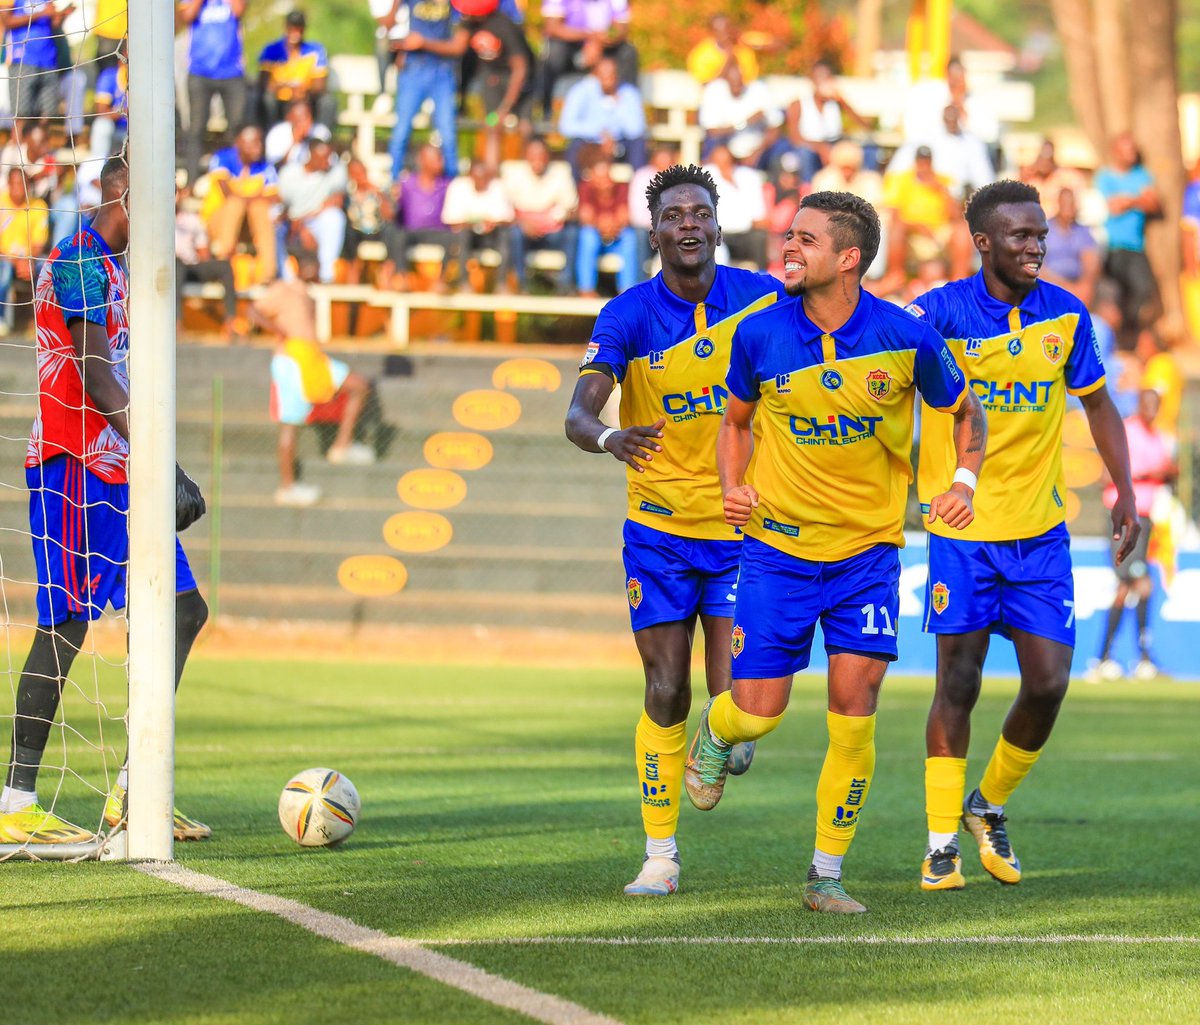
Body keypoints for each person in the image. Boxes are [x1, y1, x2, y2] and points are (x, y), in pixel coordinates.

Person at [682, 190, 984, 915]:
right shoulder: (758, 334)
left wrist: (964, 479)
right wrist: (733, 485)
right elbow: (735, 421)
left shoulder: (905, 337)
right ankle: (716, 731)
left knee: (857, 706)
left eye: (806, 240)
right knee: (758, 713)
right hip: (779, 553)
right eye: (789, 236)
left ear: (848, 258)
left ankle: (824, 875)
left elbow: (964, 408)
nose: (788, 248)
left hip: (868, 558)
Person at [908, 179, 1138, 893]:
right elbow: (876, 357)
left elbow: (1098, 404)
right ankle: (941, 841)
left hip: (1041, 532)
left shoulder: (1065, 316)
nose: (1037, 245)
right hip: (964, 529)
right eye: (1020, 236)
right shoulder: (940, 313)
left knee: (1049, 682)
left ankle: (989, 805)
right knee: (960, 681)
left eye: (1040, 234)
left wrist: (1123, 488)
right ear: (983, 241)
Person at [564, 164, 784, 897]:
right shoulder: (627, 314)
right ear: (653, 232)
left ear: (719, 225)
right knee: (666, 688)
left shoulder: (760, 297)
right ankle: (660, 856)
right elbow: (579, 410)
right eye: (672, 214)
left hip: (738, 528)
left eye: (699, 211)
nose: (687, 222)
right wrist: (607, 437)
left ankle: (721, 741)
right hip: (657, 532)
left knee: (745, 704)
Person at [0, 157, 211, 846]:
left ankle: (134, 790)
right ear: (122, 189)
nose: (167, 212)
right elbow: (95, 373)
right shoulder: (77, 259)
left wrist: (158, 463)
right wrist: (164, 462)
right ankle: (15, 799)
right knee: (64, 624)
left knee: (183, 608)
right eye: (159, 196)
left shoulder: (121, 269)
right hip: (73, 468)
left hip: (118, 468)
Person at [250, 256, 376, 507]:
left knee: (358, 385)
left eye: (317, 263)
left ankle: (342, 446)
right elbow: (252, 310)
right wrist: (279, 331)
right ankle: (288, 487)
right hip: (292, 361)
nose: (315, 268)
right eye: (310, 263)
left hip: (313, 357)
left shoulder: (307, 293)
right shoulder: (284, 289)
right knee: (290, 425)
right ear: (297, 265)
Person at [1088, 387, 1175, 682]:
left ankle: (1107, 658)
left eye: (1156, 405)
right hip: (1123, 515)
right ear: (1139, 404)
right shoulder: (1126, 431)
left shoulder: (1159, 437)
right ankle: (1137, 659)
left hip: (1147, 518)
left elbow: (1167, 469)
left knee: (1126, 587)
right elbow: (1106, 473)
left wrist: (1162, 472)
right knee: (1141, 583)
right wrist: (1142, 475)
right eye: (1147, 404)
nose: (1152, 410)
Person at [1094, 132, 1161, 352]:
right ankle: (1117, 341)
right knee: (1114, 294)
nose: (1131, 154)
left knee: (1143, 290)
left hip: (1135, 245)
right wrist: (1137, 199)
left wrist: (1127, 200)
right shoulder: (1105, 177)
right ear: (1116, 152)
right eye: (1126, 149)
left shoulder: (1142, 175)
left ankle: (1129, 335)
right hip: (1112, 246)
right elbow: (1110, 206)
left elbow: (1153, 203)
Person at [387, 0, 468, 181]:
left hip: (442, 71)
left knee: (448, 134)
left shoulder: (455, 4)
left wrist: (422, 43)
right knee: (401, 132)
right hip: (414, 69)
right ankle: (393, 182)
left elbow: (458, 46)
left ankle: (451, 185)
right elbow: (387, 23)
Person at [179, 0, 248, 187]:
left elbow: (239, 9)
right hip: (200, 72)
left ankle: (240, 177)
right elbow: (186, 16)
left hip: (231, 71)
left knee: (237, 126)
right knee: (196, 128)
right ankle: (191, 182)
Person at [203, 125, 280, 286]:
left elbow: (275, 196)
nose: (258, 147)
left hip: (247, 224)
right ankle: (222, 263)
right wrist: (255, 197)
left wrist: (254, 199)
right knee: (236, 204)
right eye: (253, 143)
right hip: (218, 221)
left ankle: (268, 273)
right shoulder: (223, 158)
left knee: (260, 208)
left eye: (259, 142)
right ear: (238, 143)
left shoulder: (265, 166)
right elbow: (227, 192)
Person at [502, 137, 579, 295]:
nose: (537, 159)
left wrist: (555, 217)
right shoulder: (513, 174)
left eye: (541, 155)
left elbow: (572, 209)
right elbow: (504, 210)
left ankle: (566, 285)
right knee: (513, 234)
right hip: (525, 233)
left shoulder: (561, 173)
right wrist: (523, 222)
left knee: (573, 233)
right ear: (526, 156)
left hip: (552, 232)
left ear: (548, 156)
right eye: (533, 155)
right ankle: (520, 284)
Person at [540, 0, 638, 112]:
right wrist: (589, 36)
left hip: (604, 45)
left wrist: (601, 41)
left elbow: (622, 28)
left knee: (628, 52)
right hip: (571, 46)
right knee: (554, 51)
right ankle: (546, 109)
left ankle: (628, 109)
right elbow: (553, 27)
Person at [558, 57, 646, 175]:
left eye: (611, 75)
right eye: (603, 75)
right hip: (590, 143)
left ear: (618, 75)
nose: (607, 80)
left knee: (638, 145)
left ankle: (640, 189)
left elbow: (637, 129)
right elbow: (566, 126)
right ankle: (577, 190)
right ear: (595, 75)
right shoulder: (581, 91)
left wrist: (619, 107)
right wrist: (599, 132)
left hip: (620, 144)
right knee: (574, 147)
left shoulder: (629, 93)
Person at [277, 138, 348, 284]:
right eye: (323, 158)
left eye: (330, 156)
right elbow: (280, 206)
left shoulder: (335, 171)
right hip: (290, 223)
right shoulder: (289, 173)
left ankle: (326, 275)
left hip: (315, 221)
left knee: (335, 218)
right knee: (274, 229)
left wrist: (303, 222)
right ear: (310, 155)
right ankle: (285, 277)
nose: (328, 161)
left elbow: (335, 202)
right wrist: (295, 224)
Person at [176, 183, 239, 342]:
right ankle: (176, 324)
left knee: (224, 266)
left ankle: (230, 322)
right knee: (176, 265)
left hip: (191, 267)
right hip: (171, 268)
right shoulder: (156, 221)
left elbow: (203, 251)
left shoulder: (192, 220)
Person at [442, 158, 514, 292]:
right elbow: (450, 220)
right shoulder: (458, 187)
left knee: (507, 236)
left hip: (492, 235)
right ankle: (463, 283)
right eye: (477, 178)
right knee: (461, 235)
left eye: (484, 178)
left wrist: (491, 223)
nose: (481, 182)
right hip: (467, 236)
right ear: (470, 176)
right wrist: (475, 224)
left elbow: (507, 219)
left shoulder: (498, 187)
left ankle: (502, 284)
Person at [257, 9, 333, 131]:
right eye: (292, 27)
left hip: (306, 98)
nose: (295, 32)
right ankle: (269, 136)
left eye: (299, 28)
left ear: (304, 29)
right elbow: (263, 82)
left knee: (328, 102)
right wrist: (284, 87)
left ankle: (320, 139)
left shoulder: (315, 50)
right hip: (279, 99)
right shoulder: (271, 50)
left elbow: (320, 85)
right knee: (266, 99)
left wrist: (304, 91)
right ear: (286, 27)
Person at [575, 158, 638, 296]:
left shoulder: (621, 188)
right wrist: (602, 225)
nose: (604, 182)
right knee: (587, 236)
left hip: (616, 236)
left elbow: (624, 216)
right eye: (600, 177)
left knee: (630, 237)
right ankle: (586, 290)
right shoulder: (586, 188)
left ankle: (627, 292)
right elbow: (585, 216)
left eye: (606, 176)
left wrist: (612, 226)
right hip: (597, 236)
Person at [0, 166, 50, 335]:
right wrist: (14, 261)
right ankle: (1, 319)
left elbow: (38, 243)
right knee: (4, 271)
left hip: (29, 258)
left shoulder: (38, 206)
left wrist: (28, 260)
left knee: (48, 269)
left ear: (28, 186)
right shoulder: (1, 204)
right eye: (14, 184)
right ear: (8, 184)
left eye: (22, 185)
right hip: (4, 258)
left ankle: (42, 322)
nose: (18, 189)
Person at [5, 0, 71, 125]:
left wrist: (61, 16)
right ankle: (19, 144)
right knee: (21, 115)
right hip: (22, 60)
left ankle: (39, 144)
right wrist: (42, 13)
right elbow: (6, 21)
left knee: (47, 114)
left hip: (49, 60)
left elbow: (53, 24)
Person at [1040, 186, 1100, 308]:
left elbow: (1091, 263)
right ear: (1058, 204)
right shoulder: (1043, 230)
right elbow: (1037, 268)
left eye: (1072, 203)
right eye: (1066, 203)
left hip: (1078, 286)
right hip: (1050, 286)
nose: (1069, 208)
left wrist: (1085, 285)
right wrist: (1067, 288)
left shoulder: (1083, 231)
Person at [686, 14, 758, 86]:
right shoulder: (702, 55)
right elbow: (707, 86)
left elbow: (767, 44)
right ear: (712, 33)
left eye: (730, 27)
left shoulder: (742, 41)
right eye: (723, 31)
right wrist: (729, 59)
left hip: (750, 87)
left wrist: (755, 47)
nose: (728, 33)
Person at [264, 97, 332, 170]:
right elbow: (275, 168)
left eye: (307, 118)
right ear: (289, 119)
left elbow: (330, 162)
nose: (305, 123)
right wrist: (295, 143)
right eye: (299, 119)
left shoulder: (321, 132)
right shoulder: (277, 133)